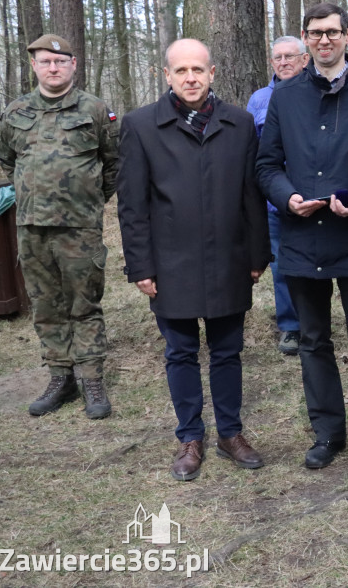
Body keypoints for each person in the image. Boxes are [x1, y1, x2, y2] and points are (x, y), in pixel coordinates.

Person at [256, 2, 348, 470]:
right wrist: (287, 197)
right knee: (313, 341)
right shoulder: (285, 96)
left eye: (332, 32)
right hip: (301, 238)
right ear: (305, 39)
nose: (324, 40)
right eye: (315, 33)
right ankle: (327, 433)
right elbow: (267, 165)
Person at [117, 38, 270, 481]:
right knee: (180, 352)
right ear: (166, 75)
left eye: (198, 70)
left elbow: (251, 196)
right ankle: (190, 438)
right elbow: (132, 204)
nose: (190, 78)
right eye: (181, 70)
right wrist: (140, 266)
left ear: (212, 73)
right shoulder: (142, 125)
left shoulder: (239, 124)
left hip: (229, 258)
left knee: (227, 352)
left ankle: (230, 434)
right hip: (170, 264)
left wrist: (258, 253)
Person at [0, 34, 118, 419]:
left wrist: (88, 199)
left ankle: (92, 379)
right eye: (46, 62)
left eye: (60, 62)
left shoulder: (95, 110)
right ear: (34, 65)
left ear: (73, 65)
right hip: (32, 228)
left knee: (85, 303)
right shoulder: (15, 113)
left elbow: (113, 164)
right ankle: (60, 376)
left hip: (80, 229)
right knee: (45, 305)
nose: (53, 68)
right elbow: (7, 160)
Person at [247, 36, 310, 356]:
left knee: (315, 262)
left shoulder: (318, 92)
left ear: (305, 60)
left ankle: (315, 321)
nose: (283, 62)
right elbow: (252, 153)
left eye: (290, 56)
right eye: (277, 58)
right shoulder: (258, 100)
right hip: (274, 201)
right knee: (282, 266)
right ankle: (290, 327)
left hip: (315, 199)